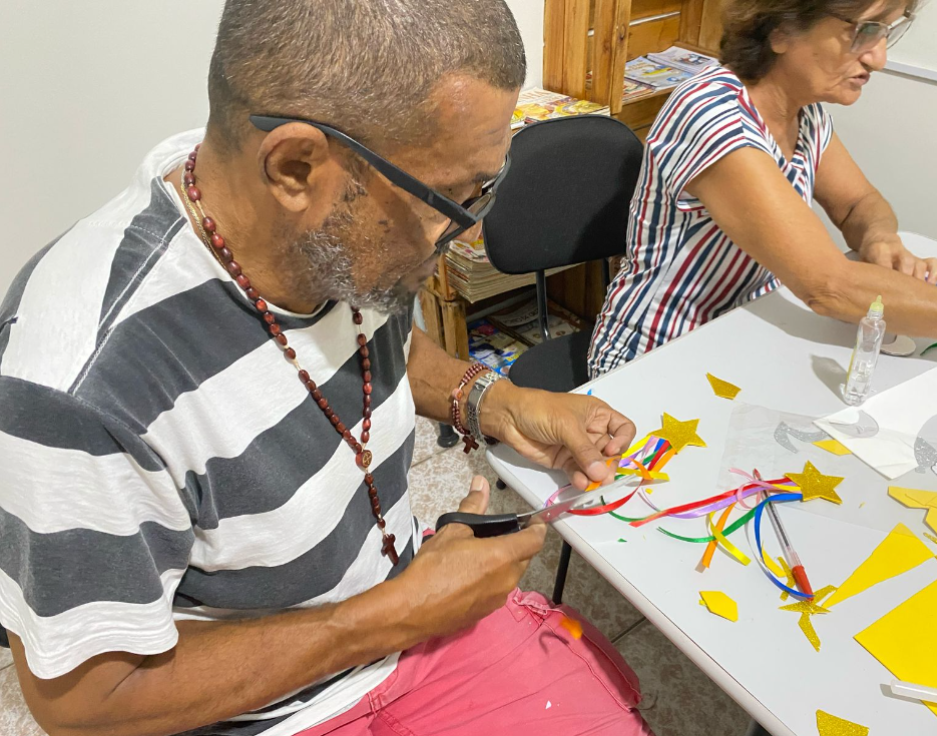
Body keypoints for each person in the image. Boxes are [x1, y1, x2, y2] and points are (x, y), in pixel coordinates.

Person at [0, 2, 653, 734]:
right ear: (295, 166)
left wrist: (490, 401)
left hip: (407, 629)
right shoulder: (79, 384)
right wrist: (381, 620)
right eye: (453, 199)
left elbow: (373, 342)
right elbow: (87, 704)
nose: (466, 230)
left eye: (483, 191)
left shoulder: (323, 236)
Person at [589, 0, 937, 377]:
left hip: (748, 331)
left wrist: (878, 237)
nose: (877, 58)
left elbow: (856, 203)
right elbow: (828, 287)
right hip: (656, 353)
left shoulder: (805, 111)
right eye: (864, 31)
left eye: (886, 32)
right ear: (781, 30)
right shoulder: (711, 114)